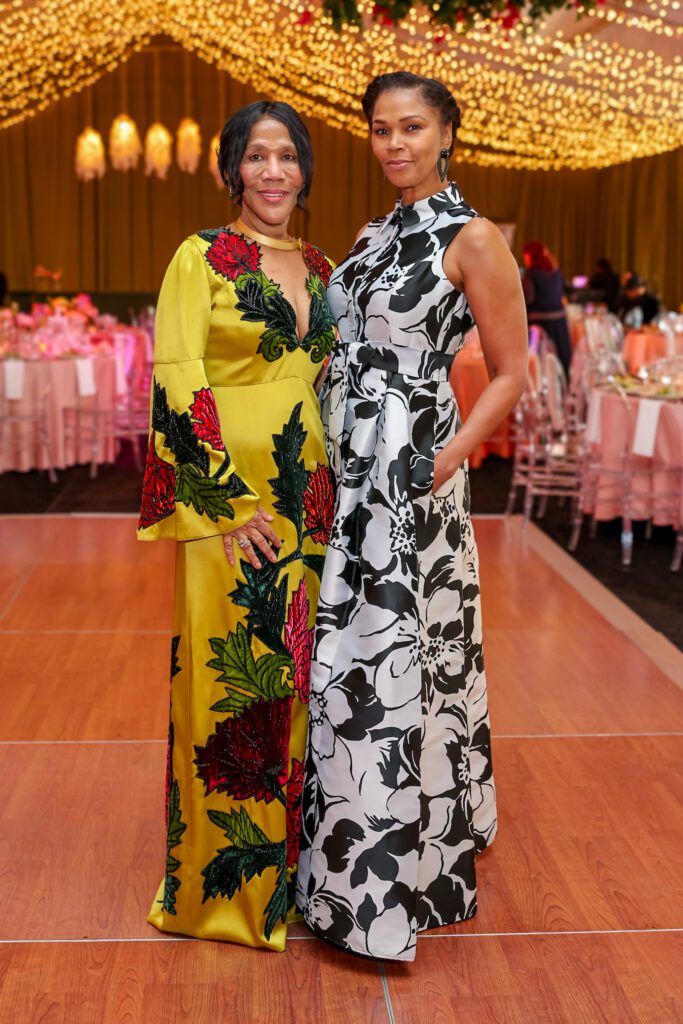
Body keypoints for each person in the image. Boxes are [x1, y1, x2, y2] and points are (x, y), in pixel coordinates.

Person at [296, 71, 528, 961]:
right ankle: (343, 846)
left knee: (398, 649)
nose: (395, 144)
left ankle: (398, 874)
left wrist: (449, 453)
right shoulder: (371, 232)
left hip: (410, 468)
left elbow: (509, 371)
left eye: (412, 128)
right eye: (382, 130)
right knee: (351, 646)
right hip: (348, 458)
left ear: (446, 133)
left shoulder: (473, 237)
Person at [137, 100, 336, 951]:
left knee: (304, 685)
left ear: (304, 169)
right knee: (234, 694)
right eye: (256, 157)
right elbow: (178, 377)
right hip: (234, 508)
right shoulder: (201, 259)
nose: (273, 172)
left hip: (311, 502)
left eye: (286, 156)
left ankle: (295, 881)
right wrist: (222, 508)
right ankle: (223, 896)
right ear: (231, 170)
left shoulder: (323, 265)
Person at [522, 240, 572, 374]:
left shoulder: (531, 274)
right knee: (560, 361)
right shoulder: (556, 272)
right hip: (560, 323)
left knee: (540, 365)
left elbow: (528, 298)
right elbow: (562, 294)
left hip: (540, 326)